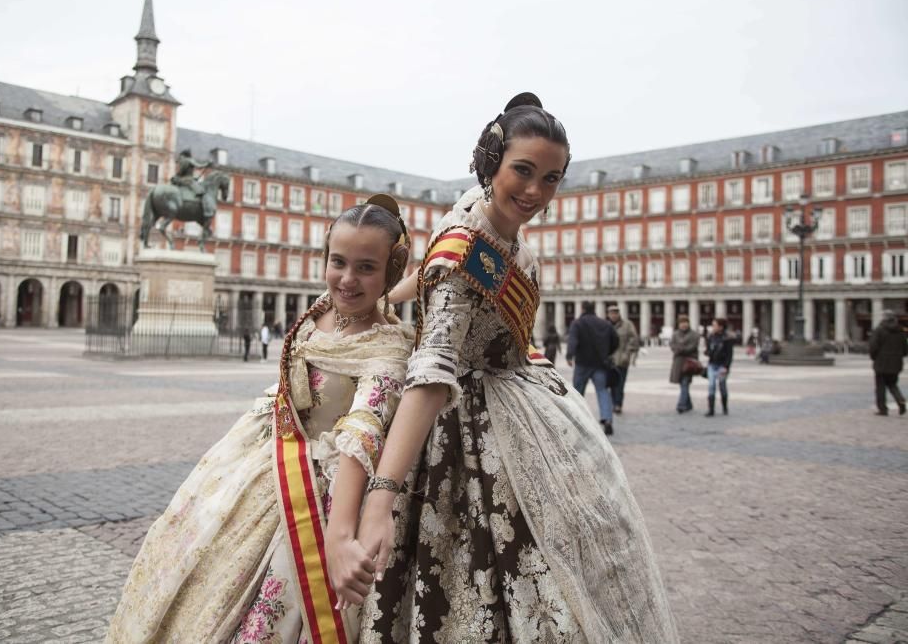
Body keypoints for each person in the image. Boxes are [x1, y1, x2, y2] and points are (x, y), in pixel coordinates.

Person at [336, 93, 678, 642]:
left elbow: (428, 265)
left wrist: (392, 297)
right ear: (491, 160)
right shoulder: (466, 251)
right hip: (467, 420)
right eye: (523, 171)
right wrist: (383, 495)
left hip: (523, 394)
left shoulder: (478, 211)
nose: (535, 191)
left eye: (551, 178)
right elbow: (430, 375)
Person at [105, 195, 413, 643]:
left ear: (392, 270)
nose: (347, 279)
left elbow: (361, 431)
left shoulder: (387, 349)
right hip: (264, 460)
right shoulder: (323, 308)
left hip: (325, 490)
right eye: (338, 262)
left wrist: (341, 535)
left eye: (366, 267)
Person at [566, 301, 619, 434]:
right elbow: (616, 340)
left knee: (578, 393)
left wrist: (569, 355)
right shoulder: (605, 324)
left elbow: (573, 340)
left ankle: (577, 420)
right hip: (600, 364)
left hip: (582, 364)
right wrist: (607, 352)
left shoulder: (577, 323)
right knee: (602, 391)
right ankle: (607, 419)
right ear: (594, 309)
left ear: (583, 308)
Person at [869, 309, 906, 416]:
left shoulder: (879, 330)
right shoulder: (901, 331)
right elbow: (905, 348)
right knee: (893, 384)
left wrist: (874, 357)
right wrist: (898, 356)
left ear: (884, 318)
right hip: (896, 363)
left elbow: (873, 346)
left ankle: (883, 409)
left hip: (881, 362)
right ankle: (901, 400)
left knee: (880, 387)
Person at [607, 304, 639, 415]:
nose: (614, 315)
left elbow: (634, 339)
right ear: (608, 315)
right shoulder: (606, 325)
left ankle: (618, 404)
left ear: (619, 314)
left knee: (620, 384)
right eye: (611, 313)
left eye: (616, 313)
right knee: (611, 384)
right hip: (609, 360)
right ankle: (613, 403)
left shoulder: (627, 325)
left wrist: (628, 352)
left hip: (622, 359)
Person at [704, 317, 735, 416]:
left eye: (714, 325)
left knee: (722, 386)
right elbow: (708, 350)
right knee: (711, 385)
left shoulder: (727, 339)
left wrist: (726, 367)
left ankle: (725, 407)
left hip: (722, 365)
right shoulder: (710, 337)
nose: (713, 327)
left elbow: (730, 355)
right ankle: (711, 410)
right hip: (712, 364)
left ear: (721, 327)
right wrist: (708, 352)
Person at [670, 314, 700, 413]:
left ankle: (681, 405)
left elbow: (691, 347)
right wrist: (678, 349)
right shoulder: (675, 334)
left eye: (685, 322)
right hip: (678, 363)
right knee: (682, 384)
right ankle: (689, 404)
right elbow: (672, 345)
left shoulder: (694, 335)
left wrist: (680, 349)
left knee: (685, 383)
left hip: (689, 363)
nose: (683, 325)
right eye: (681, 323)